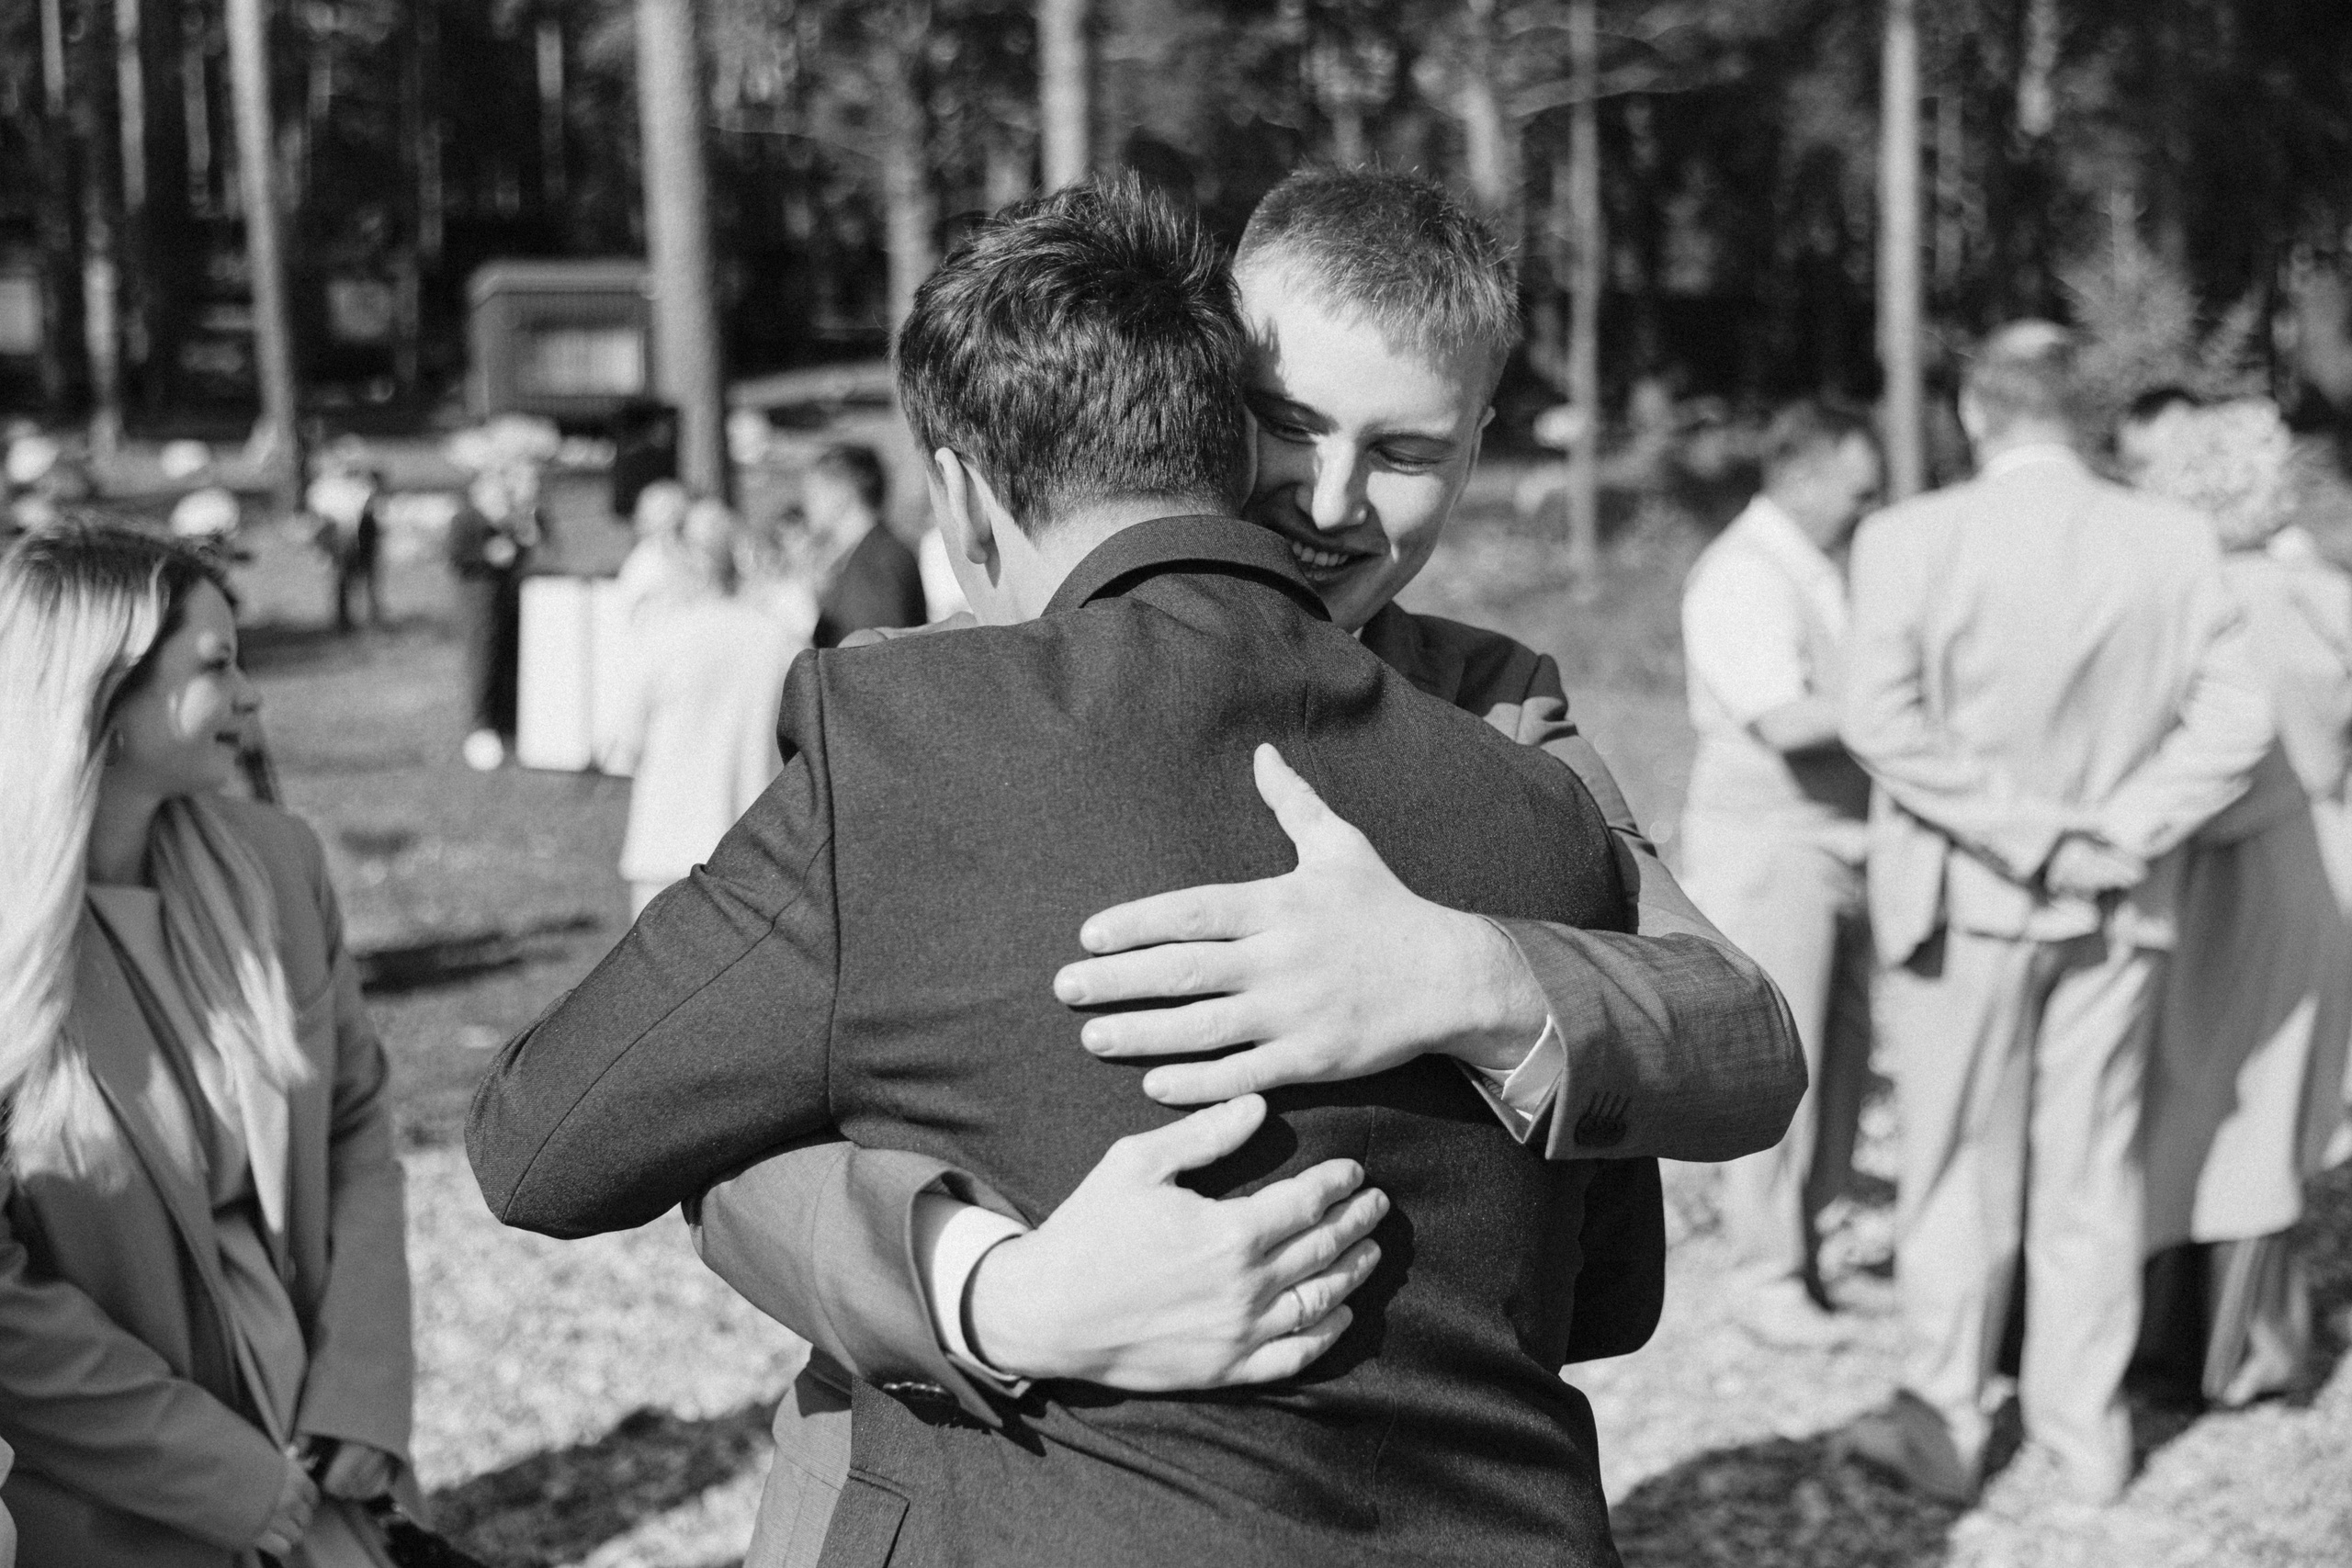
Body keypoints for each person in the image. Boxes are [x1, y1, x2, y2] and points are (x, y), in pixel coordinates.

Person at [470, 180, 1657, 1568]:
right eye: (1303, 432)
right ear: (1230, 436)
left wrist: (1470, 980)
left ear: (963, 493)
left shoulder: (904, 747)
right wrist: (998, 1291)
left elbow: (541, 1142)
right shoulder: (1527, 802)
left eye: (1399, 449)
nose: (1335, 498)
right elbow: (1604, 1292)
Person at [1834, 323, 2272, 1506]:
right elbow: (2237, 724)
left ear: (1975, 413)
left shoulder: (1908, 537)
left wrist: (2031, 836)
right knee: (2091, 1176)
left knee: (1951, 1178)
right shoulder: (2174, 541)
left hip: (1964, 902)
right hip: (2122, 903)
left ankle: (1947, 1432)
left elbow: (1877, 721)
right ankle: (2087, 1446)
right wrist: (2117, 833)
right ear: (2083, 418)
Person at [0, 527, 416, 1565]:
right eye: (216, 664)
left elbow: (357, 1122)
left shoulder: (278, 864)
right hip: (108, 1506)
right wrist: (217, 1478)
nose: (251, 695)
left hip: (323, 1453)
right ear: (103, 694)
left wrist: (364, 1388)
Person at [2128, 397, 2352, 1407]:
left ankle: (2186, 1333)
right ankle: (2245, 1340)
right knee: (2261, 1099)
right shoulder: (2296, 592)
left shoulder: (2187, 587)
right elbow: (2316, 749)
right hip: (2280, 862)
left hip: (2205, 867)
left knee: (2193, 1093)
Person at [1679, 400, 1883, 1348]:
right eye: (1854, 488)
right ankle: (1765, 1278)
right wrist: (1903, 697)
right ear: (1799, 472)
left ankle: (1816, 1250)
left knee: (1842, 1060)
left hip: (1838, 843)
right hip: (1769, 845)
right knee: (1781, 1062)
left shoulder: (1812, 567)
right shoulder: (1741, 576)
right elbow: (1788, 720)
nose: (1861, 506)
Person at [601, 498, 808, 916]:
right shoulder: (783, 643)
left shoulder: (658, 638)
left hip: (664, 847)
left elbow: (621, 745)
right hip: (750, 848)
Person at [446, 463, 540, 772]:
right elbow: (457, 556)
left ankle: (506, 723)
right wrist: (486, 556)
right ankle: (481, 728)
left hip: (505, 599)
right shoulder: (465, 519)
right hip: (478, 597)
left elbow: (524, 554)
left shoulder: (508, 520)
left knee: (506, 659)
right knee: (482, 660)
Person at [803, 444, 925, 646]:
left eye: (814, 495)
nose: (807, 506)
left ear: (841, 494)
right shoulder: (872, 553)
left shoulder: (879, 561)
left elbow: (880, 656)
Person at [612, 477, 695, 624]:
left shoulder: (691, 556)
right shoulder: (643, 561)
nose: (672, 517)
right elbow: (629, 613)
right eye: (664, 510)